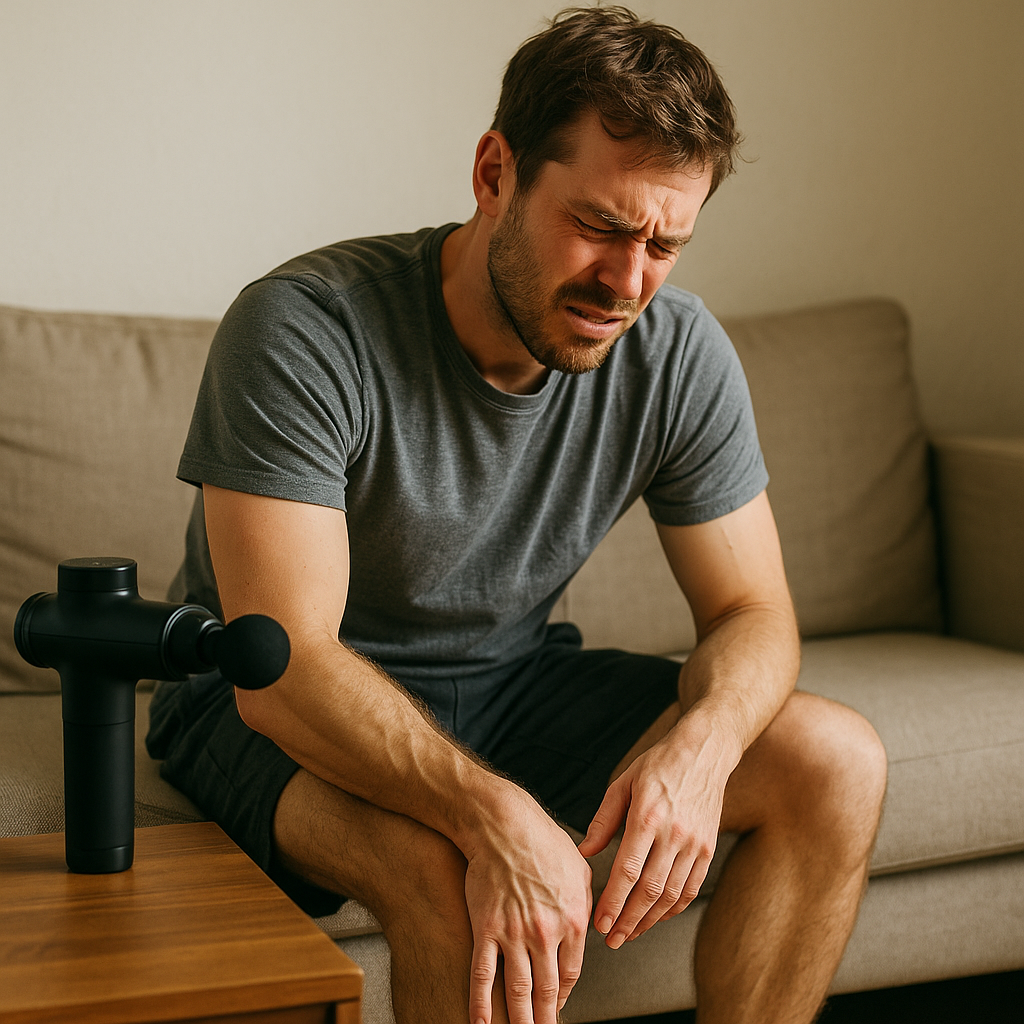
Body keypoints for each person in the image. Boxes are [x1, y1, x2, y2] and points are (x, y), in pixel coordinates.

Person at [148, 6, 887, 1023]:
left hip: (508, 684)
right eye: (601, 226)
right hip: (260, 710)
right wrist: (496, 812)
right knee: (450, 861)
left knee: (832, 760)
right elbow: (285, 668)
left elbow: (753, 611)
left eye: (665, 243)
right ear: (495, 172)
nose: (628, 283)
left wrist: (701, 748)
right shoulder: (304, 328)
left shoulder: (674, 349)